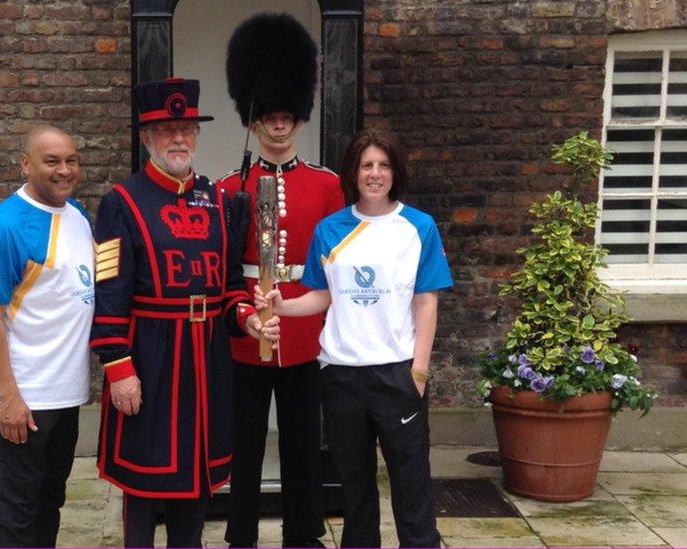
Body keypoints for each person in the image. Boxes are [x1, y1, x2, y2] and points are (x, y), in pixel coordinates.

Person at [90, 77, 276, 548]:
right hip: (150, 357)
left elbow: (231, 285)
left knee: (196, 475)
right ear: (146, 137)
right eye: (168, 128)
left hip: (207, 357)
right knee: (143, 481)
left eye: (187, 128)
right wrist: (118, 367)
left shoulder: (215, 199)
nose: (179, 138)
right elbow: (108, 293)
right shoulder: (121, 202)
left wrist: (246, 318)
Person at [257, 129, 452, 548]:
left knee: (411, 483)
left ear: (395, 172)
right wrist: (284, 306)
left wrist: (419, 371)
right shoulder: (331, 229)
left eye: (383, 165)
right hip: (342, 375)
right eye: (367, 165)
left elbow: (427, 303)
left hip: (397, 374)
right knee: (354, 489)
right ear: (354, 172)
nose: (375, 174)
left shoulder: (419, 227)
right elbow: (323, 294)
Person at [219, 12, 344, 549]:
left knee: (301, 441)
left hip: (304, 330)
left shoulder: (327, 185)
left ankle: (304, 533)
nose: (278, 123)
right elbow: (223, 267)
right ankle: (240, 533)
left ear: (298, 117)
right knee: (244, 441)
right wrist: (245, 317)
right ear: (253, 119)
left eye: (286, 114)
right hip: (248, 331)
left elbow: (335, 266)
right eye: (268, 114)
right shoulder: (228, 186)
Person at [0, 125, 93, 548]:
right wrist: (9, 397)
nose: (64, 170)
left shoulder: (77, 215)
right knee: (16, 511)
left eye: (71, 160)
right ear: (26, 164)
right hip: (24, 397)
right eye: (52, 161)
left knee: (50, 501)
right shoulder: (6, 225)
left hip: (66, 393)